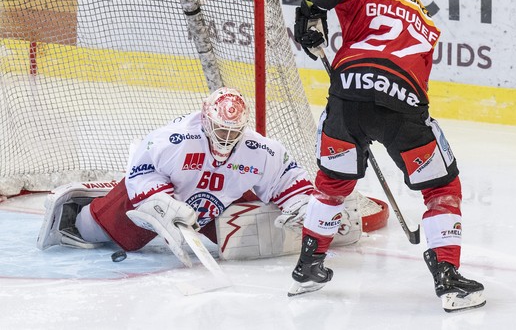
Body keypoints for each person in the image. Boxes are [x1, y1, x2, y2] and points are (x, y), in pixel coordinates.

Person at [291, 0, 485, 311]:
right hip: (403, 100)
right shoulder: (426, 20)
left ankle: (308, 265)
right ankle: (447, 276)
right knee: (442, 188)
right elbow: (421, 77)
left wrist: (311, 10)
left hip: (347, 97)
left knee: (334, 184)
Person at [37, 87, 358, 266]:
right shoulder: (174, 139)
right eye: (220, 128)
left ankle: (320, 226)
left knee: (247, 240)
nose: (226, 136)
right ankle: (84, 215)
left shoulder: (259, 149)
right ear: (205, 118)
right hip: (168, 199)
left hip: (216, 208)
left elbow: (285, 178)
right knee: (96, 232)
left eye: (234, 131)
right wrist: (157, 202)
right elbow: (142, 166)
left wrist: (303, 204)